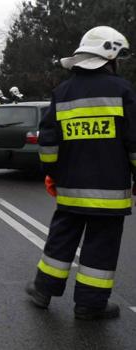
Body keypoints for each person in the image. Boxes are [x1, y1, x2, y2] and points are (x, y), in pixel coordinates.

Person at [26, 26, 135, 320]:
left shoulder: (62, 93)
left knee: (61, 239)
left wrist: (51, 173)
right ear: (109, 56)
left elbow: (48, 142)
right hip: (110, 192)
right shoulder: (122, 91)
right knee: (100, 247)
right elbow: (133, 142)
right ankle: (90, 305)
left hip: (70, 189)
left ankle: (42, 290)